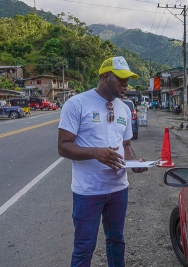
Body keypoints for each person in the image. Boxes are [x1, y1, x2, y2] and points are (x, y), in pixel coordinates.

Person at [57, 56, 148, 267]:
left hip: (118, 190)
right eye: (121, 79)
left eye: (128, 79)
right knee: (84, 246)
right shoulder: (77, 103)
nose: (126, 84)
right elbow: (63, 146)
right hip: (88, 192)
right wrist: (96, 153)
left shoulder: (125, 108)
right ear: (105, 77)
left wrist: (134, 164)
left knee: (116, 240)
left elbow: (125, 146)